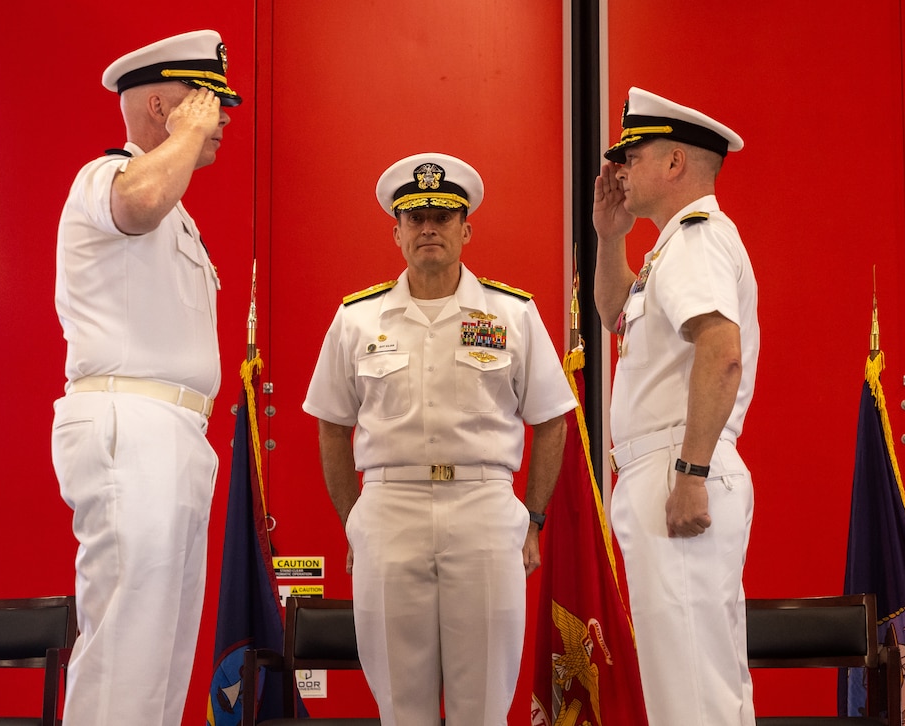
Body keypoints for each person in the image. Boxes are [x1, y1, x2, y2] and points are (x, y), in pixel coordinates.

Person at [303, 152, 577, 726]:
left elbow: (552, 416)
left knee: (482, 707)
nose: (429, 227)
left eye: (443, 215)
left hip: (483, 508)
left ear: (466, 229)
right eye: (415, 216)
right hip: (389, 508)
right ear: (396, 232)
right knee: (402, 708)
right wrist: (355, 517)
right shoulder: (357, 319)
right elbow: (332, 423)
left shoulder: (512, 313)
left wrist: (533, 518)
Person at [51, 29, 240, 726]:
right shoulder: (110, 178)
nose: (222, 122)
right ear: (164, 106)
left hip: (175, 436)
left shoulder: (176, 206)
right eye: (210, 104)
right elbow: (137, 204)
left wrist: (186, 137)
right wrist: (185, 138)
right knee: (128, 646)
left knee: (161, 657)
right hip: (130, 427)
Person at [591, 86, 759, 726]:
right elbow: (615, 315)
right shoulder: (672, 247)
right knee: (694, 680)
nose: (621, 170)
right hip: (669, 466)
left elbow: (721, 349)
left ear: (673, 165)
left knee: (689, 691)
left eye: (633, 155)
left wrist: (689, 473)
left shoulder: (694, 238)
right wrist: (612, 238)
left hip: (677, 465)